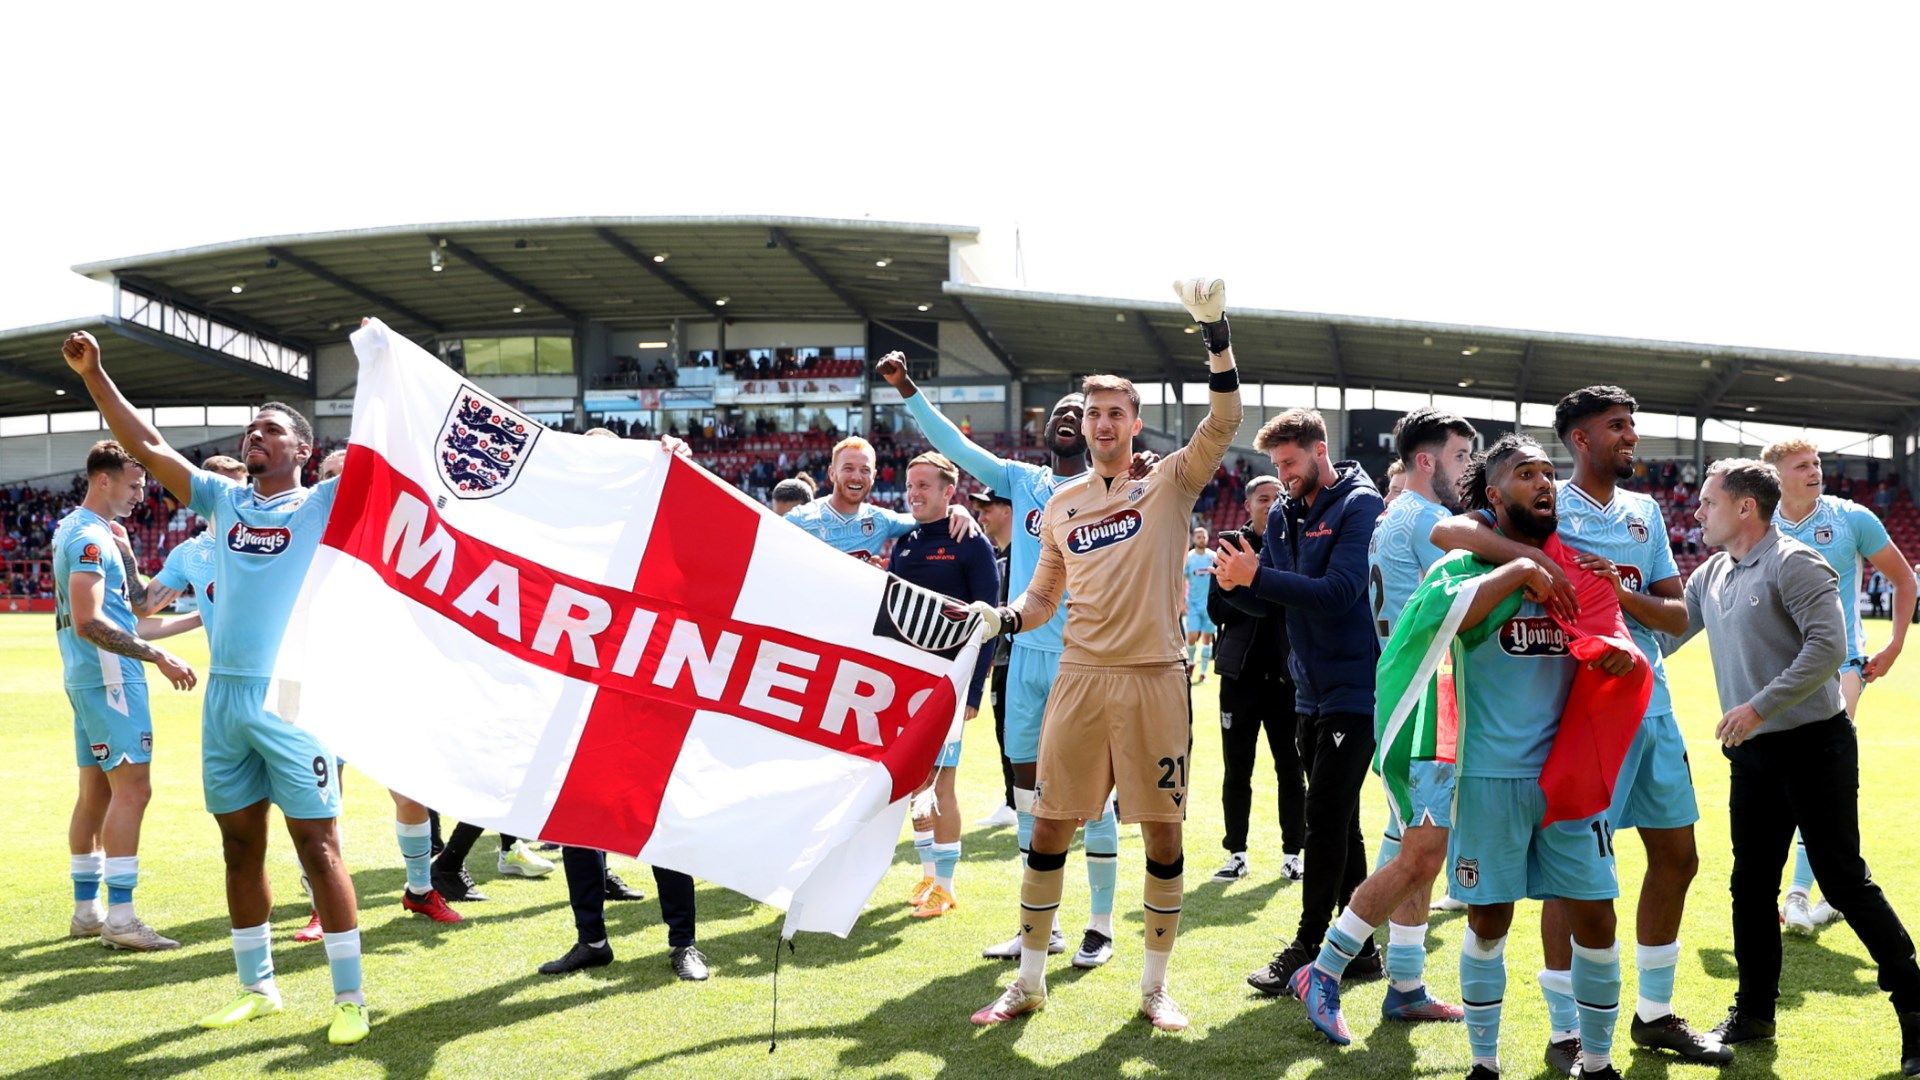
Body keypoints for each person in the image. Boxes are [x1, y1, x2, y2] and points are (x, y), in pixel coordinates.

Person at [62, 330, 371, 1046]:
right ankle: (257, 989)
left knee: (318, 845)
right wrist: (94, 375)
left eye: (271, 430)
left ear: (301, 449)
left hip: (291, 694)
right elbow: (148, 446)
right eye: (250, 429)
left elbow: (396, 458)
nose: (254, 436)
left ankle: (350, 997)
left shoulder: (324, 503)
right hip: (226, 700)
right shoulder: (223, 502)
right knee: (238, 846)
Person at [968, 276, 1243, 1032]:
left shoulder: (1173, 480)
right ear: (1083, 423)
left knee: (1163, 833)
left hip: (1155, 677)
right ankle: (1029, 981)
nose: (1101, 422)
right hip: (1080, 678)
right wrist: (1002, 618)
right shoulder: (1061, 505)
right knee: (1048, 826)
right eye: (1092, 412)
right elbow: (1042, 598)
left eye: (1115, 412)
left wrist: (1214, 333)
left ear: (1135, 422)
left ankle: (1154, 988)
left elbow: (1225, 418)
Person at [1435, 387, 1728, 1066]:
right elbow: (1451, 533)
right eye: (1617, 426)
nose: (1632, 437)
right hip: (1579, 716)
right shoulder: (1542, 505)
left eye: (1633, 425)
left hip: (1649, 704)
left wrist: (1620, 594)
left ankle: (1654, 1014)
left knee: (1678, 857)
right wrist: (1535, 562)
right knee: (1572, 879)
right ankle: (1566, 1029)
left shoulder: (1643, 512)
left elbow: (1678, 615)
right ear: (1581, 439)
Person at [1664, 459, 1920, 1077]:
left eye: (1708, 502)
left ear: (1744, 507)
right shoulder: (1711, 574)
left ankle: (1915, 1008)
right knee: (1751, 884)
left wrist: (1757, 706)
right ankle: (1754, 1012)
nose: (1698, 512)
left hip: (1815, 746)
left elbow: (1829, 648)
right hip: (1752, 753)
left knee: (1842, 880)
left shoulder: (1796, 563)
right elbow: (1669, 635)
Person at [879, 351, 1127, 970]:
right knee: (1024, 795)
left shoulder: (1118, 489)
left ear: (1095, 428)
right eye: (1061, 411)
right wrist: (908, 390)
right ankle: (1040, 925)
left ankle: (1100, 926)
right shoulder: (1022, 480)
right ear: (1047, 429)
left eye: (1080, 411)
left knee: (1093, 797)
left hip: (1086, 662)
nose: (1069, 416)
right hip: (1025, 661)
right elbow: (954, 449)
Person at [1427, 434, 1637, 1080]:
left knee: (1595, 915)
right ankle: (1484, 1063)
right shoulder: (1463, 568)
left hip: (1569, 780)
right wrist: (1521, 570)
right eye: (1526, 473)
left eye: (1549, 472)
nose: (1545, 482)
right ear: (1494, 494)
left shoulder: (1581, 568)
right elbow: (1454, 623)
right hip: (1490, 777)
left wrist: (1615, 656)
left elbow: (1617, 642)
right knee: (1489, 918)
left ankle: (1597, 1062)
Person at [1274, 408, 1479, 1044]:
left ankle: (1407, 985)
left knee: (1415, 850)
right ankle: (1325, 968)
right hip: (1424, 698)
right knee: (1420, 853)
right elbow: (1478, 591)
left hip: (1405, 688)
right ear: (1427, 460)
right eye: (1461, 457)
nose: (1468, 469)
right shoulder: (1427, 521)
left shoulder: (1396, 514)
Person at [1213, 408, 1385, 993]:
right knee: (1343, 822)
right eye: (1276, 464)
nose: (1283, 474)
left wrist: (1256, 578)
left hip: (1355, 688)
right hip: (1307, 692)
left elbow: (1339, 593)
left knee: (1324, 818)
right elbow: (1273, 602)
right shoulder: (1286, 513)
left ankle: (1310, 945)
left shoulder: (1361, 505)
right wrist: (1237, 585)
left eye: (1289, 463)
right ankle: (1362, 952)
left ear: (1319, 450)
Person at [1763, 438, 1918, 933]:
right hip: (1775, 665)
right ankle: (1827, 888)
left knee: (1816, 769)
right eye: (1801, 466)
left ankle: (1799, 893)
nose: (1814, 471)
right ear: (1776, 477)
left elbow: (1905, 579)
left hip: (1842, 661)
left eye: (1816, 463)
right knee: (1776, 778)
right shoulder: (1760, 522)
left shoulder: (1852, 518)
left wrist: (1894, 645)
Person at [57, 440, 200, 952]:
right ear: (104, 480)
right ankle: (120, 917)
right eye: (134, 484)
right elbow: (90, 621)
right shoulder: (88, 538)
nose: (141, 494)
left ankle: (87, 911)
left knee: (96, 792)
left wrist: (202, 615)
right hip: (111, 676)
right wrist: (157, 657)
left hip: (89, 676)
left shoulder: (89, 531)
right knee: (134, 790)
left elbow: (135, 609)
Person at [889, 452, 1000, 918]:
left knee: (942, 783)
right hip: (906, 685)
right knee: (917, 781)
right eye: (909, 485)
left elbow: (989, 622)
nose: (914, 493)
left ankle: (947, 886)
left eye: (924, 486)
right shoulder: (906, 542)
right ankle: (929, 875)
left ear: (948, 492)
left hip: (949, 686)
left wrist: (972, 692)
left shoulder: (970, 543)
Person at [1206, 476, 1304, 885]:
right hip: (1240, 677)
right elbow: (1216, 609)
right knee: (1237, 769)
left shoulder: (1294, 543)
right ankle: (1236, 853)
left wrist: (1254, 588)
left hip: (1286, 679)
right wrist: (1258, 594)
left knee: (1290, 769)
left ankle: (1293, 854)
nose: (1271, 504)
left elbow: (1296, 604)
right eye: (1263, 498)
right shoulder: (1230, 545)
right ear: (1247, 505)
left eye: (1278, 497)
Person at [783, 435, 977, 560]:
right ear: (832, 473)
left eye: (865, 470)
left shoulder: (880, 520)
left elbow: (924, 516)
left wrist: (956, 509)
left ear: (874, 476)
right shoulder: (800, 519)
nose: (857, 477)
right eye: (848, 468)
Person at [968, 488, 1020, 828]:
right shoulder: (998, 556)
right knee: (1005, 731)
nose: (981, 516)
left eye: (988, 508)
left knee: (1023, 733)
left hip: (1021, 656)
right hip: (1002, 657)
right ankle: (1014, 800)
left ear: (1007, 510)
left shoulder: (1027, 555)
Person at [1184, 526, 1215, 684]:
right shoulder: (1189, 558)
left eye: (1204, 537)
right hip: (1193, 605)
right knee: (1191, 636)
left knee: (1206, 639)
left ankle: (1203, 673)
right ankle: (1190, 663)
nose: (1202, 540)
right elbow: (1182, 580)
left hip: (1209, 604)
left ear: (1207, 538)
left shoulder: (1213, 557)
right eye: (1198, 537)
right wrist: (1181, 602)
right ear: (1193, 539)